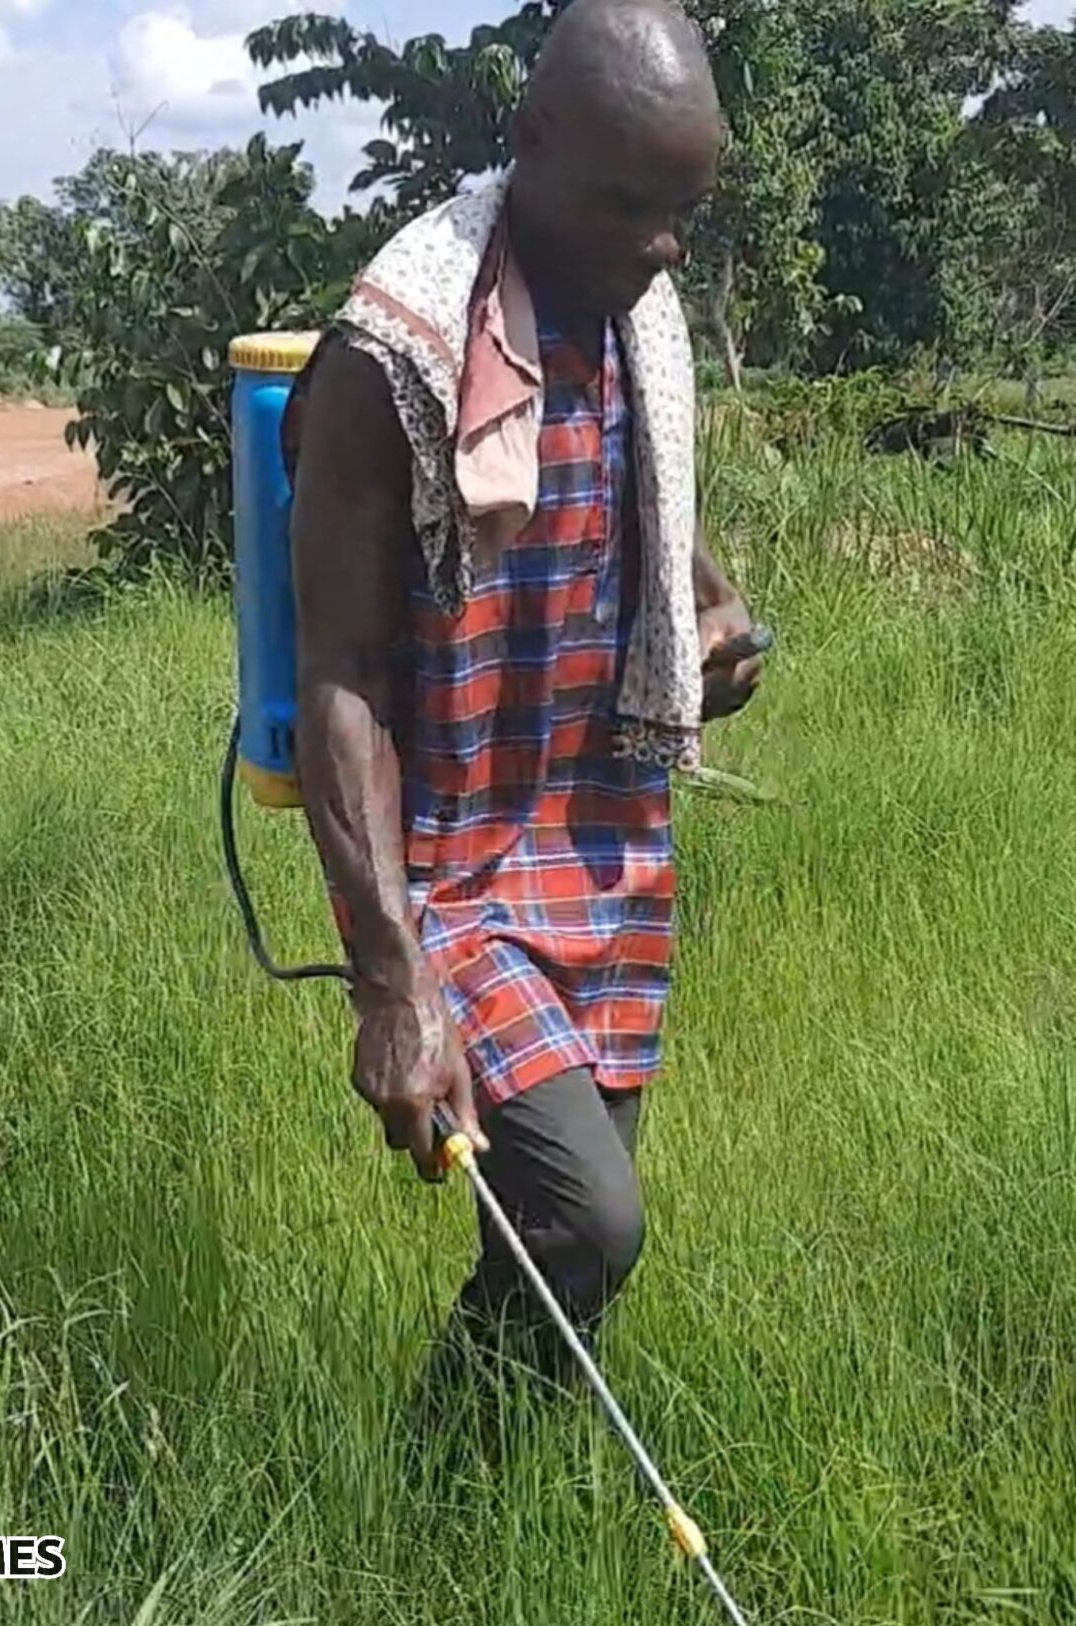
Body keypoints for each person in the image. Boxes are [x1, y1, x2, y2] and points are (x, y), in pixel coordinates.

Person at [282, 0, 766, 1413]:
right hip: (460, 867)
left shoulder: (634, 311)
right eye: (633, 206)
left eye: (687, 212)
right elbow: (344, 673)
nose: (664, 245)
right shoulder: (396, 360)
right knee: (589, 1221)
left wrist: (711, 628)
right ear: (533, 140)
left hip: (607, 847)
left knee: (559, 1252)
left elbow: (652, 518)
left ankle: (473, 1520)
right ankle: (434, 1492)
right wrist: (391, 981)